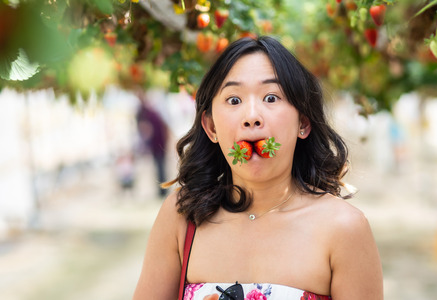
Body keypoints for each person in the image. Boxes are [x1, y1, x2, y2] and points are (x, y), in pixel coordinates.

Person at [132, 36, 383, 300]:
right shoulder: (181, 217)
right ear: (212, 127)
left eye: (271, 97)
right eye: (234, 100)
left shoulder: (345, 229)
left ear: (303, 123)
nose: (252, 116)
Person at [135, 89, 169, 197]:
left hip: (158, 144)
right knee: (159, 167)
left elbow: (149, 129)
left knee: (160, 167)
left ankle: (162, 190)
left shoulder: (149, 113)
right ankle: (162, 190)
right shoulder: (149, 112)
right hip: (157, 144)